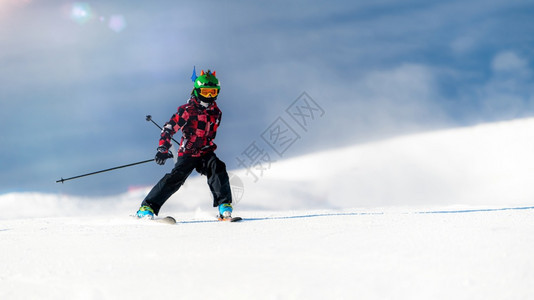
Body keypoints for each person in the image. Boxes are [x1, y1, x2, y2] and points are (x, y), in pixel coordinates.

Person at [136, 69, 233, 220]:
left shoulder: (216, 112)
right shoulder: (187, 110)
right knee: (175, 178)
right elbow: (168, 129)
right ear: (197, 90)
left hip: (206, 152)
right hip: (188, 153)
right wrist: (163, 148)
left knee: (218, 167)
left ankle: (224, 206)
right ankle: (147, 207)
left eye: (213, 92)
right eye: (206, 92)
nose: (209, 96)